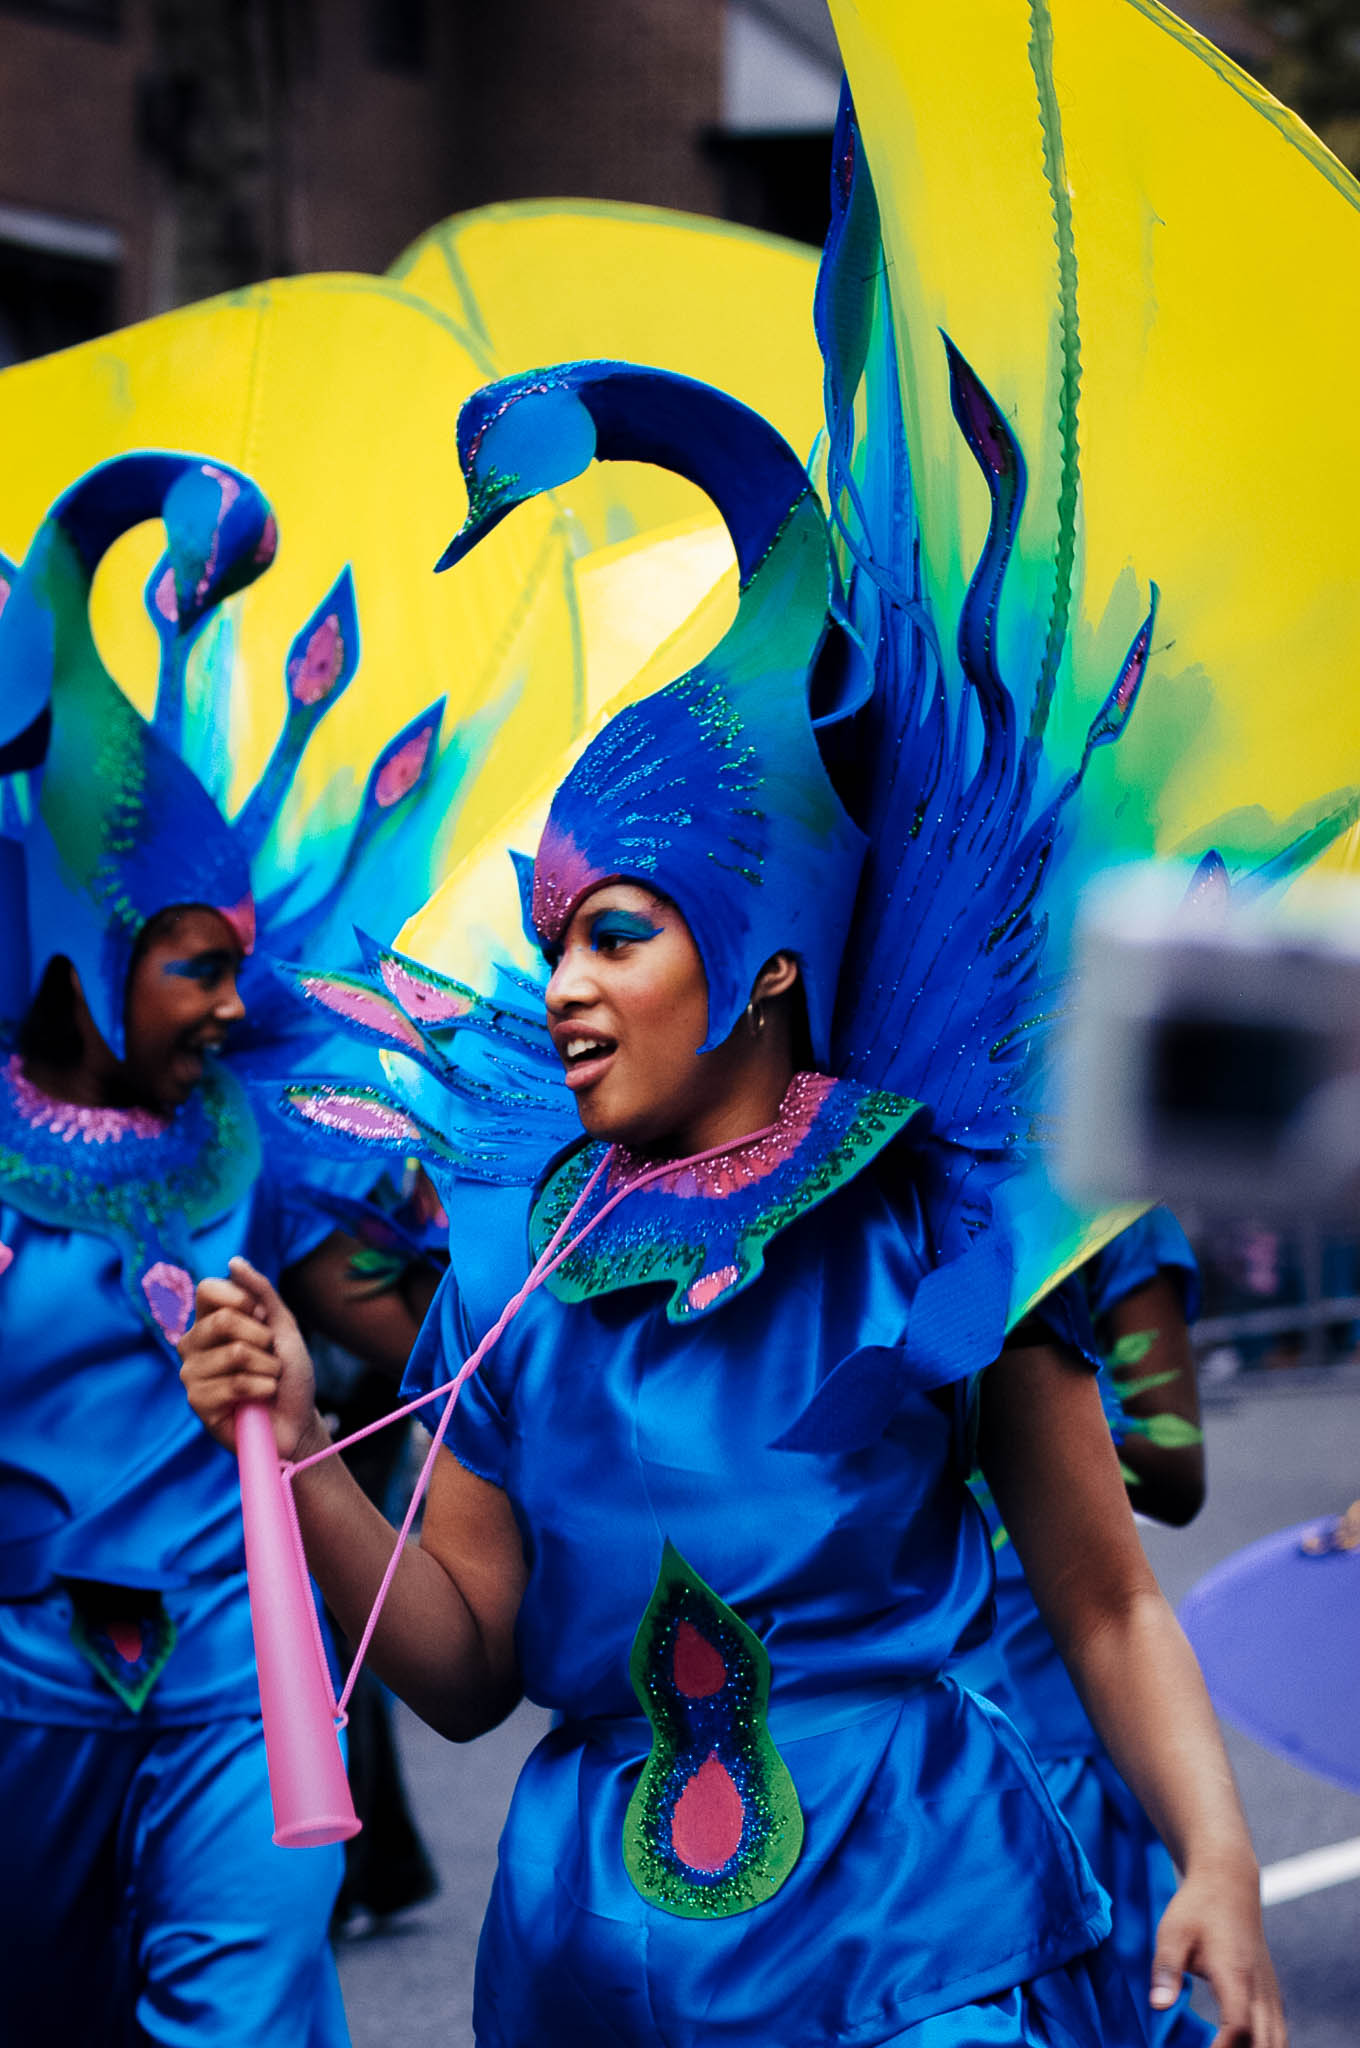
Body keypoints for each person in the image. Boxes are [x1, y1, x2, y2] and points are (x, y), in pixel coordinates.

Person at [180, 327, 1285, 2041]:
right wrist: (290, 1435)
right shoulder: (517, 1272)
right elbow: (467, 1667)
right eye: (553, 939)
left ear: (765, 960)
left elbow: (1105, 1590)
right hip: (598, 1960)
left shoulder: (941, 1215)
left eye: (618, 931)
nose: (562, 982)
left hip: (925, 1929)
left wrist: (1215, 1853)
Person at [0, 452, 443, 2046]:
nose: (232, 1005)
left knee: (243, 2017)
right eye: (194, 966)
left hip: (236, 1696)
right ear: (82, 947)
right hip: (16, 1704)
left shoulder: (262, 1144)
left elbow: (446, 1349)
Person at [953, 1211, 1215, 2047]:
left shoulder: (1104, 1209)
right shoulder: (874, 1197)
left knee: (1101, 2009)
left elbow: (1174, 1461)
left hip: (1056, 1710)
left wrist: (1017, 1427)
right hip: (923, 1732)